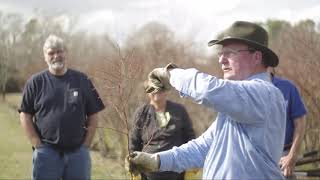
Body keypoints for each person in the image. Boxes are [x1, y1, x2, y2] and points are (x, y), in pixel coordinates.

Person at [127, 21, 287, 179]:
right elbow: (201, 149)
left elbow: (208, 90)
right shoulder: (240, 104)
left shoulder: (265, 94)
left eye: (230, 53)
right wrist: (156, 161)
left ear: (257, 57)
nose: (221, 60)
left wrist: (171, 75)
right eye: (220, 53)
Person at [19, 34, 105, 180]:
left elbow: (93, 114)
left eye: (59, 51)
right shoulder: (35, 82)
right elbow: (25, 115)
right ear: (45, 56)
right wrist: (37, 145)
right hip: (46, 153)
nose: (56, 56)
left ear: (66, 53)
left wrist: (85, 145)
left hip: (78, 154)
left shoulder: (82, 80)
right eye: (51, 53)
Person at [129, 81, 195, 180]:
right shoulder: (141, 113)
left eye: (159, 88)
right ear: (147, 92)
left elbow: (190, 138)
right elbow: (134, 142)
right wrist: (133, 167)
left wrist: (191, 164)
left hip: (176, 172)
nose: (156, 91)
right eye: (152, 88)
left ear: (166, 90)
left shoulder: (179, 110)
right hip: (148, 173)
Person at [270, 71, 307, 178]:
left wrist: (292, 155)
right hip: (254, 157)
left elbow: (300, 123)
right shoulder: (245, 88)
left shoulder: (288, 87)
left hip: (283, 154)